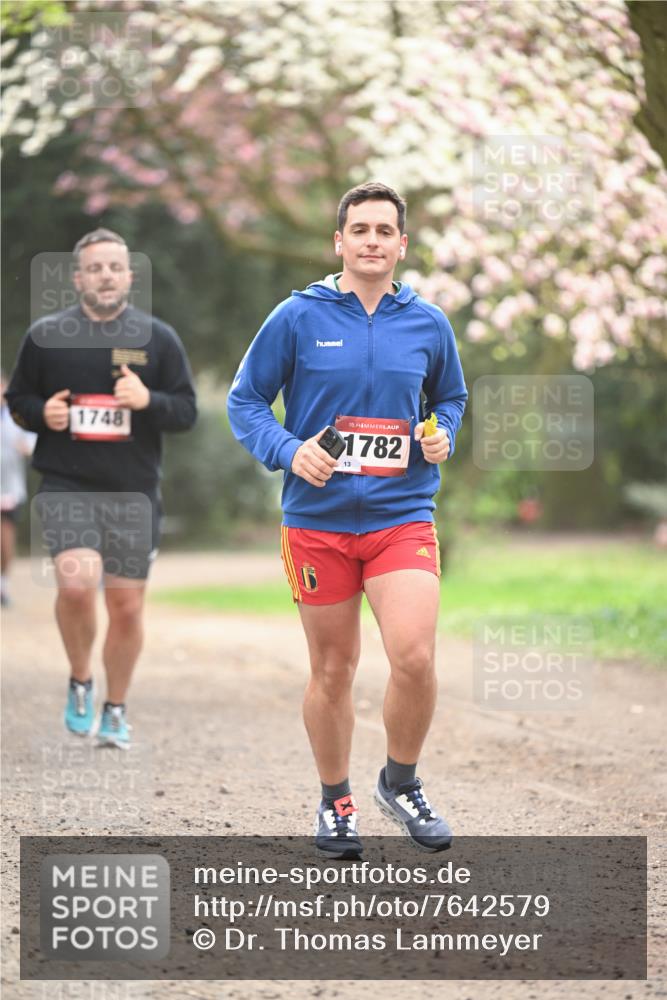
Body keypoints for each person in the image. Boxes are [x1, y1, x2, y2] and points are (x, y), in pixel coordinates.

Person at [228, 182, 467, 856]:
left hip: (400, 515)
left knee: (414, 657)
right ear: (339, 241)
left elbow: (450, 395)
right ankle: (335, 800)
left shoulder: (427, 323)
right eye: (358, 229)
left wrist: (441, 432)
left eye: (382, 230)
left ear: (400, 245)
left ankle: (401, 780)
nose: (370, 240)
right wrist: (285, 449)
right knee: (333, 669)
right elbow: (245, 401)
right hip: (317, 521)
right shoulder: (296, 317)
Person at [5, 228, 197, 748]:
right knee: (74, 583)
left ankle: (115, 707)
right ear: (78, 277)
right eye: (95, 268)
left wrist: (148, 401)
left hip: (133, 490)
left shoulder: (158, 339)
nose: (106, 275)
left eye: (115, 267)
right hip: (67, 483)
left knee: (127, 608)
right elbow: (19, 398)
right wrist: (40, 412)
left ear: (130, 276)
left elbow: (186, 411)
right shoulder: (46, 335)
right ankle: (80, 678)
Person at [1, 371, 37, 607]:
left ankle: (3, 583)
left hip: (8, 487)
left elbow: (33, 439)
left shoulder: (15, 416)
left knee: (5, 538)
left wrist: (27, 446)